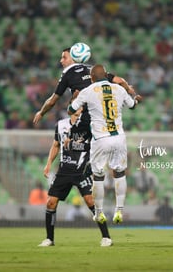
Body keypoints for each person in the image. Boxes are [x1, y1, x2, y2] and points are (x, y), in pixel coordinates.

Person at [68, 64, 142, 225]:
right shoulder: (119, 89)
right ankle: (119, 211)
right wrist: (137, 99)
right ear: (105, 75)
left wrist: (74, 98)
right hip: (119, 138)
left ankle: (99, 213)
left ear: (92, 77)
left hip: (100, 139)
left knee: (98, 176)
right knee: (119, 173)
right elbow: (133, 105)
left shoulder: (88, 91)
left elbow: (70, 109)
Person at [38, 108, 112, 247]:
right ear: (70, 113)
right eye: (77, 114)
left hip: (82, 171)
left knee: (91, 202)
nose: (79, 117)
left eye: (81, 115)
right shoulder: (61, 125)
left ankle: (106, 237)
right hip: (64, 171)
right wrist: (48, 163)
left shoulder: (89, 126)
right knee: (51, 203)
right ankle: (49, 239)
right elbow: (56, 145)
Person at [32, 46, 135, 126]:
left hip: (86, 117)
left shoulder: (67, 73)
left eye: (64, 57)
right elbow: (120, 81)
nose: (61, 61)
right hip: (104, 115)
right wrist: (128, 89)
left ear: (74, 58)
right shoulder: (93, 69)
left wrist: (41, 113)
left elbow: (52, 101)